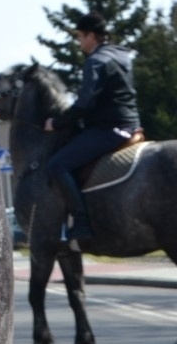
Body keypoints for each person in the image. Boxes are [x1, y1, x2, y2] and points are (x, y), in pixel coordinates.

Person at [44, 12, 141, 242]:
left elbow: (84, 104)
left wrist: (56, 123)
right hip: (132, 124)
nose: (79, 42)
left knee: (57, 165)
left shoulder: (96, 61)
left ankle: (81, 223)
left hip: (109, 129)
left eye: (80, 37)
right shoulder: (123, 55)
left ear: (91, 36)